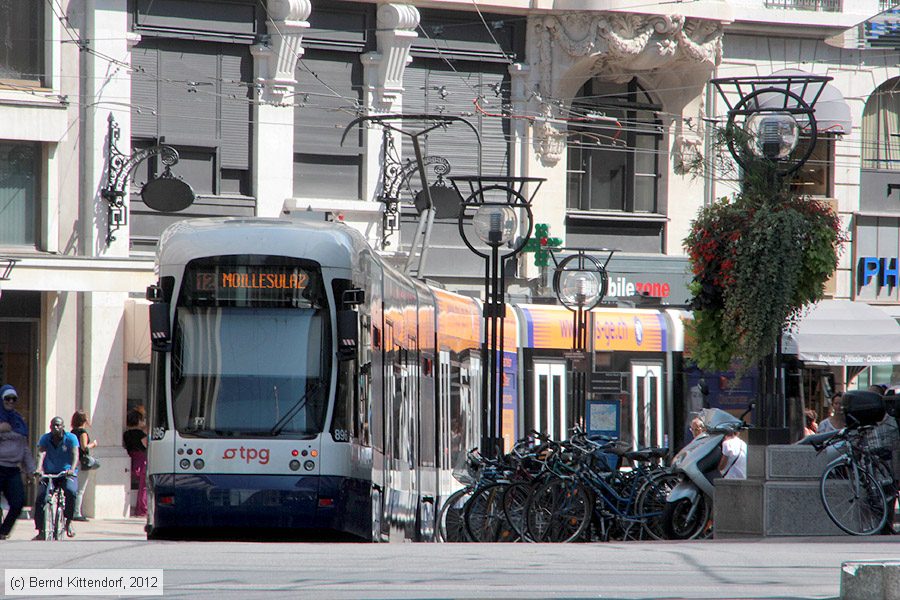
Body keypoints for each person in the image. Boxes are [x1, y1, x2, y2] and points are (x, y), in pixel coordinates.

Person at [34, 416, 79, 540]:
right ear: (50, 426)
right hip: (49, 474)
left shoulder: (71, 438)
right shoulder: (45, 438)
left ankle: (68, 521)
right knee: (41, 497)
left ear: (63, 427)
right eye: (53, 425)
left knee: (71, 491)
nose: (55, 427)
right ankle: (40, 530)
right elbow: (41, 453)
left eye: (58, 425)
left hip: (66, 473)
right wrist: (39, 469)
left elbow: (75, 454)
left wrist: (72, 469)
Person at [0, 385, 35, 540]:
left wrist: (31, 469)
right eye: (7, 398)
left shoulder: (19, 420)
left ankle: (3, 531)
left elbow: (24, 448)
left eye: (13, 399)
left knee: (18, 501)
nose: (10, 402)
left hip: (13, 469)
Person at [69, 410, 98, 522]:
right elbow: (84, 447)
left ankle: (72, 511)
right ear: (84, 420)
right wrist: (93, 444)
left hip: (73, 462)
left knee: (73, 488)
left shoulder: (72, 432)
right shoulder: (82, 432)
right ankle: (76, 512)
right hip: (82, 462)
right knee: (80, 489)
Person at [123, 409, 148, 517]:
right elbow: (146, 445)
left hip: (132, 458)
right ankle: (142, 509)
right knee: (144, 486)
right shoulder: (141, 434)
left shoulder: (126, 434)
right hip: (141, 459)